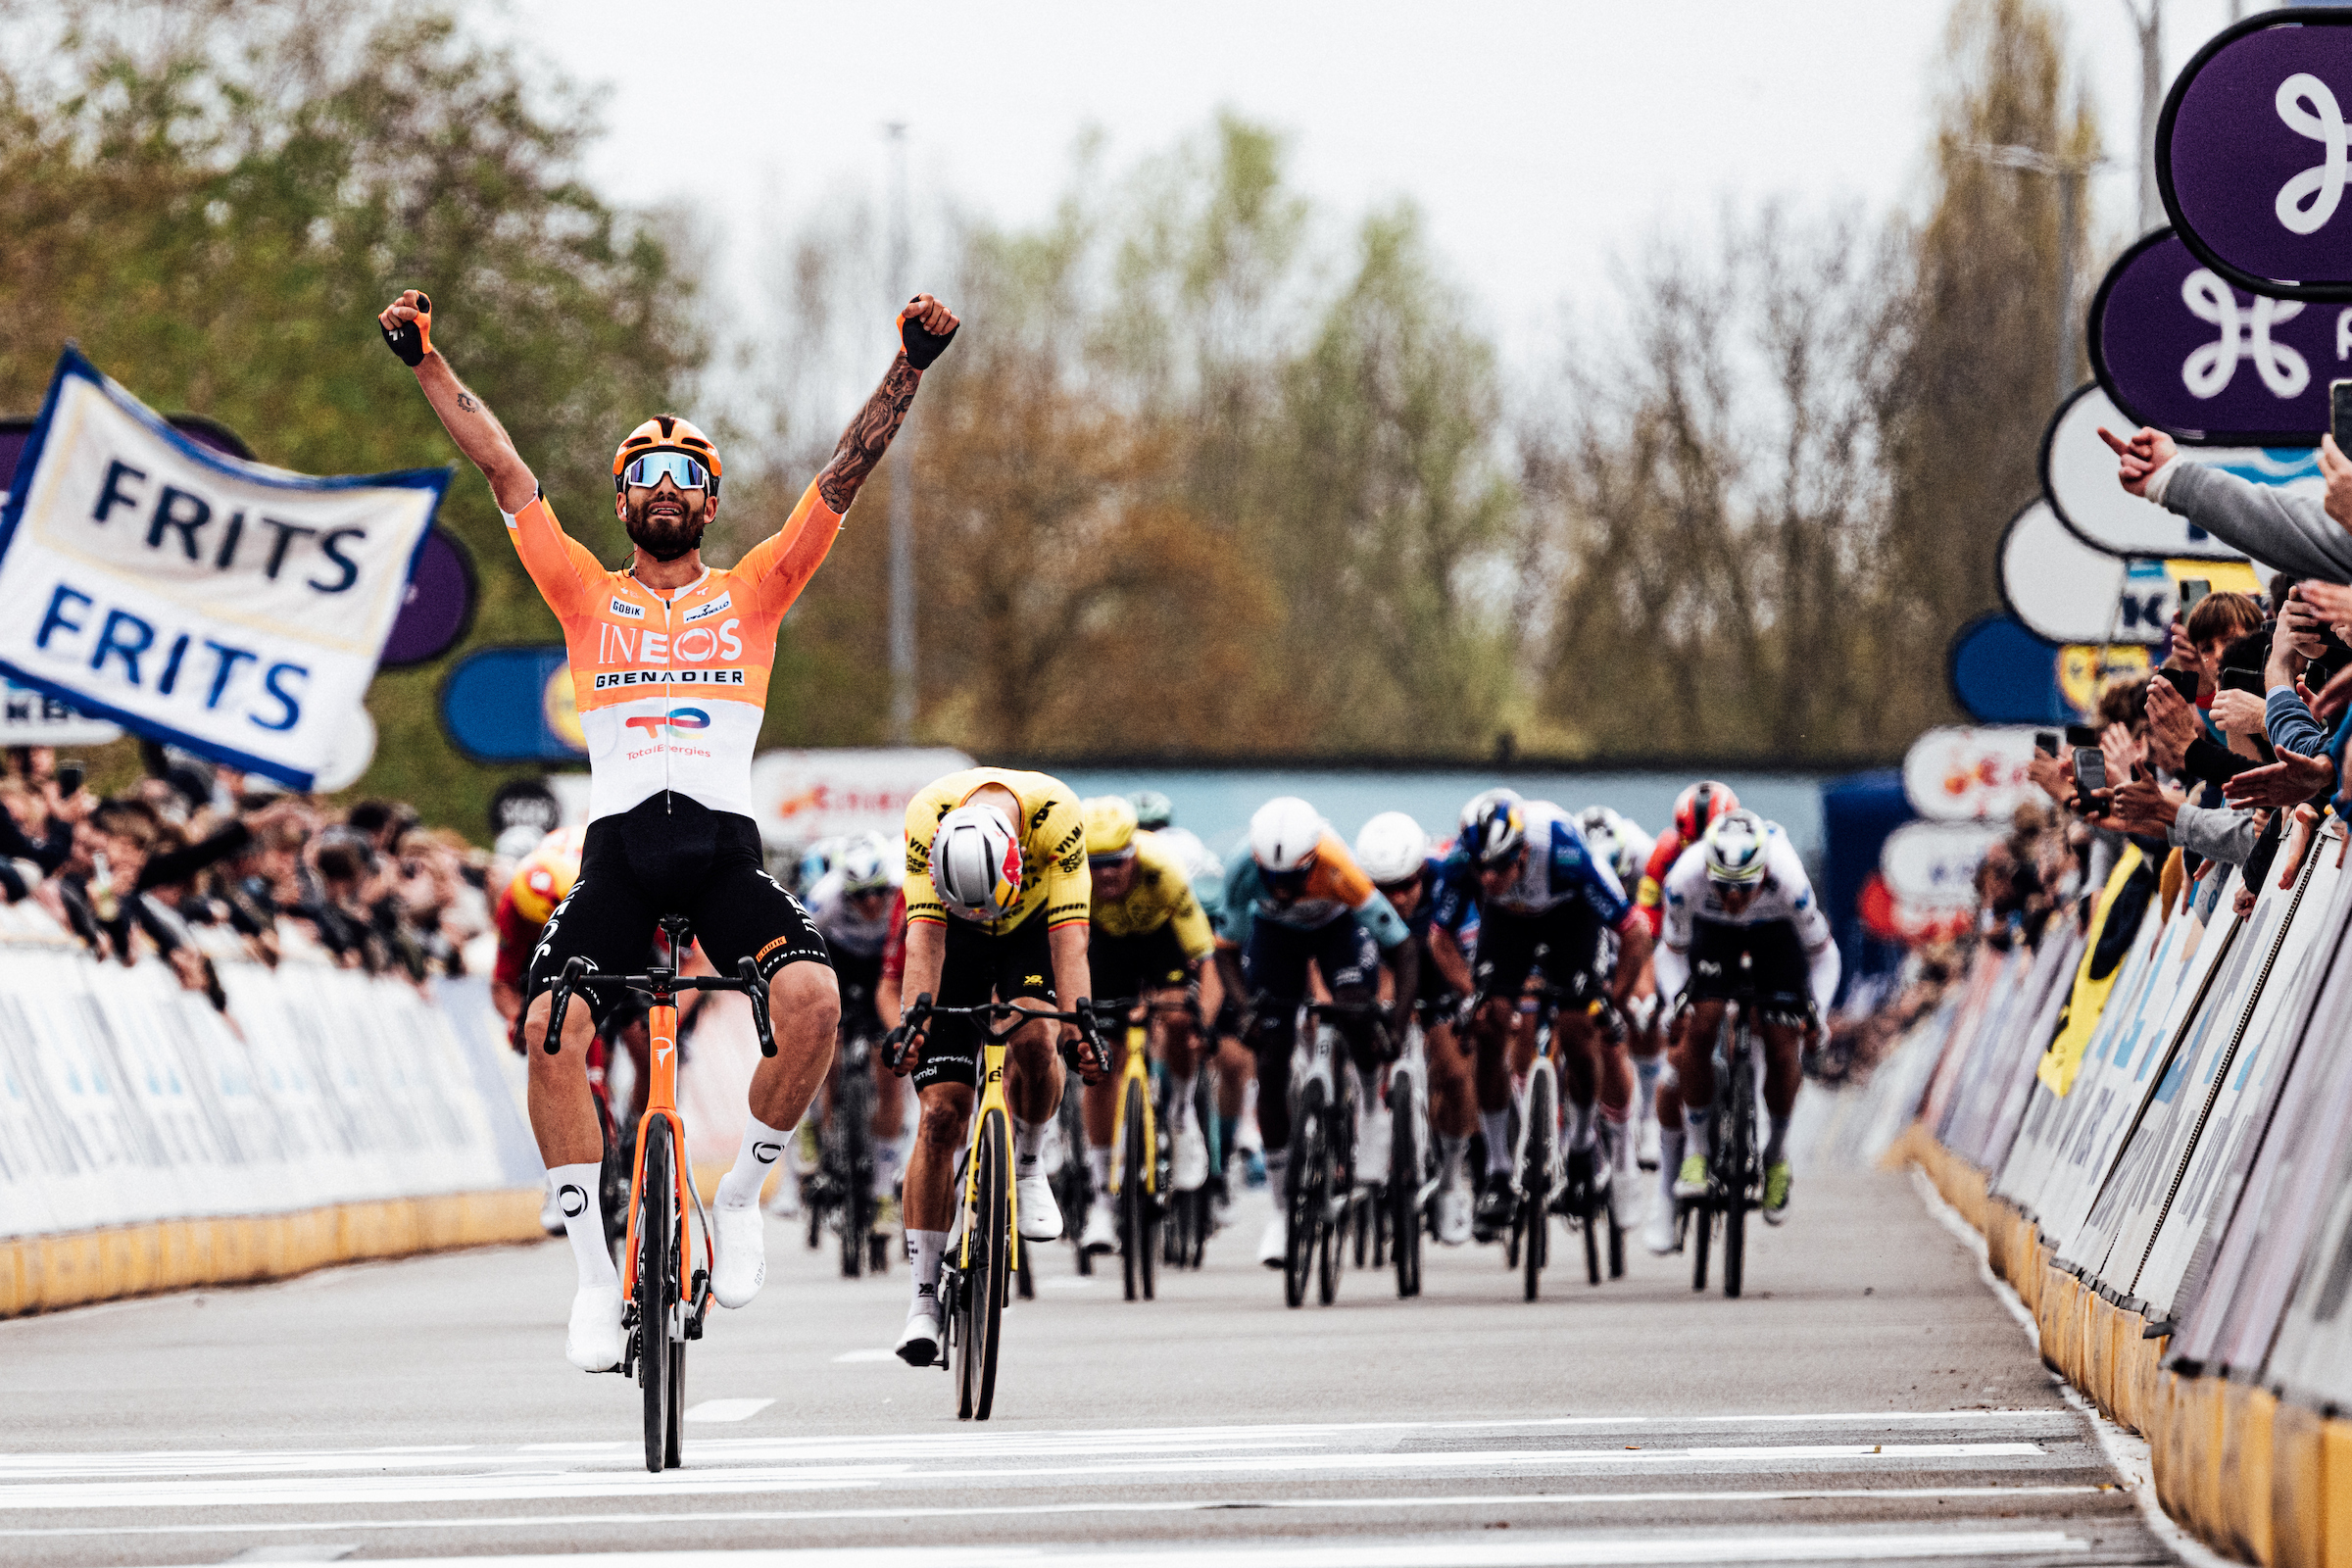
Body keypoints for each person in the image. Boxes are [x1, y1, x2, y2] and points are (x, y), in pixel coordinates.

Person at [377, 282, 959, 1372]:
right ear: (619, 502)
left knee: (816, 1000)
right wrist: (424, 356)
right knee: (550, 1032)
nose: (662, 489)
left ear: (710, 503)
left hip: (725, 852)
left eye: (685, 477)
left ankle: (738, 1197)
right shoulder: (585, 596)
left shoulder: (755, 593)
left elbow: (844, 474)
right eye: (641, 475)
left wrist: (909, 368)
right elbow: (504, 468)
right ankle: (596, 1282)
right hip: (623, 859)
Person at [886, 765, 1101, 1367]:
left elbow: (1070, 942)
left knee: (1036, 1034)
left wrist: (1080, 1025)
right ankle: (923, 1299)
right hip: (954, 937)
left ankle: (1029, 1164)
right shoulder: (926, 819)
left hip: (1029, 929)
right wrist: (914, 1024)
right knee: (939, 1118)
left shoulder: (1056, 816)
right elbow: (924, 940)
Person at [1215, 797, 1413, 1268]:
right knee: (1270, 1055)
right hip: (1274, 938)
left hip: (1337, 930)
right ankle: (1282, 1212)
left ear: (1311, 861)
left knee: (1354, 1010)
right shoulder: (1243, 869)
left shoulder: (1339, 867)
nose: (1283, 890)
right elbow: (1224, 952)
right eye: (1273, 880)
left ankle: (1369, 1107)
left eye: (1293, 879)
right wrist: (1246, 1012)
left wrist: (1397, 1024)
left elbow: (1403, 949)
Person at [1453, 792, 1653, 1245]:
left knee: (1581, 1029)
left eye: (1499, 866)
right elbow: (1438, 937)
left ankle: (1583, 1146)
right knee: (1490, 1022)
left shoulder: (1566, 853)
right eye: (1479, 867)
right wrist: (1471, 996)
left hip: (1571, 920)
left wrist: (1613, 1002)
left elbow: (1635, 931)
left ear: (1523, 852)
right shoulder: (1473, 867)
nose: (1488, 876)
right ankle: (1499, 1174)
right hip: (1507, 926)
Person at [1645, 808, 1839, 1252]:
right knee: (1701, 1023)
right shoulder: (1685, 878)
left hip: (1776, 937)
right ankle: (1697, 1152)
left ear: (1764, 871)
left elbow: (1824, 956)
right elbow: (1670, 951)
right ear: (1707, 870)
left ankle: (1775, 1155)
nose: (1733, 899)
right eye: (1723, 888)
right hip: (1713, 937)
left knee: (1781, 1041)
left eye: (1744, 888)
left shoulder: (1790, 881)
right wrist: (1678, 1000)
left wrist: (1819, 1015)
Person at [1075, 796, 1223, 1252]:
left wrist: (1206, 1024)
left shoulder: (1163, 870)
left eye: (1116, 863)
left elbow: (1205, 957)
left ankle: (1180, 1113)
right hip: (1104, 948)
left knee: (1178, 1018)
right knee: (1099, 1066)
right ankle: (1102, 1201)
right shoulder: (1073, 882)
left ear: (1134, 852)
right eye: (1095, 865)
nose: (1107, 875)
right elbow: (1065, 951)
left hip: (1160, 942)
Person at [1354, 810, 1481, 1245]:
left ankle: (1448, 1183)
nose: (1395, 898)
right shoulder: (1355, 893)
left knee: (1457, 1074)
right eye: (1382, 890)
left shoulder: (1449, 879)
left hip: (1437, 966)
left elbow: (1464, 954)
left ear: (1423, 873)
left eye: (1406, 886)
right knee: (1367, 1023)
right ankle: (1364, 1123)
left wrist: (1469, 1001)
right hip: (1388, 967)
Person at [805, 832, 910, 1239]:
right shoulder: (825, 898)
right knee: (827, 1050)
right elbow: (804, 957)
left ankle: (884, 1189)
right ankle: (822, 1129)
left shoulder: (902, 893)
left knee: (890, 1070)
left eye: (877, 892)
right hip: (839, 961)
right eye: (859, 895)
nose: (870, 902)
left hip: (882, 968)